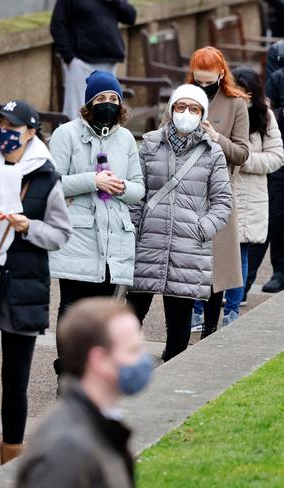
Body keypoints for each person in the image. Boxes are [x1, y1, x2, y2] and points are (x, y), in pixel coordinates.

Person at [0, 99, 71, 486]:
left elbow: (60, 234)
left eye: (13, 126)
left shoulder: (45, 176)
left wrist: (28, 228)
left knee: (16, 379)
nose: (4, 131)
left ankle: (12, 462)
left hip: (25, 284)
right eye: (0, 124)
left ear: (31, 132)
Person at [127, 84, 232, 361]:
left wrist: (201, 229)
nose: (186, 113)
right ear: (171, 110)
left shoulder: (213, 153)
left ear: (202, 114)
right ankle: (119, 368)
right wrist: (133, 231)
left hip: (189, 246)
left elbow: (223, 202)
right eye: (181, 107)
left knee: (179, 319)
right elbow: (137, 194)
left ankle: (172, 373)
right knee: (131, 311)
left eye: (194, 108)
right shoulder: (149, 144)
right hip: (149, 240)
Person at [48, 70, 144, 373]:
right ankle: (68, 368)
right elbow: (53, 183)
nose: (108, 104)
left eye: (113, 98)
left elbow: (138, 187)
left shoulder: (126, 138)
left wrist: (123, 188)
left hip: (115, 235)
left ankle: (92, 369)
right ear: (89, 102)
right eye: (101, 98)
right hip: (79, 234)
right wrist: (93, 181)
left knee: (103, 311)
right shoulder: (66, 134)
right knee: (73, 306)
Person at [16, 298, 151, 488]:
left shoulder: (100, 424)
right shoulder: (64, 450)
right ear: (99, 359)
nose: (143, 360)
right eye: (133, 350)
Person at [177, 47, 250, 337]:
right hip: (184, 193)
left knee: (216, 270)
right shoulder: (181, 98)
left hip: (218, 194)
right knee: (184, 266)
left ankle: (210, 328)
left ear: (221, 74)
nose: (203, 86)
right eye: (198, 79)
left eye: (209, 81)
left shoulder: (236, 104)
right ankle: (181, 328)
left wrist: (216, 137)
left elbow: (242, 153)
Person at [222, 67, 284, 322]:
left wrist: (244, 161)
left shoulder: (265, 117)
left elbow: (276, 157)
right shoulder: (222, 111)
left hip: (250, 193)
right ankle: (198, 311)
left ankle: (232, 310)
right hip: (221, 188)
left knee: (240, 253)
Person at [50, 0, 136, 120]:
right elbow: (57, 25)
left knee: (107, 113)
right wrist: (70, 58)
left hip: (109, 64)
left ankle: (104, 139)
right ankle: (73, 139)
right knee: (76, 112)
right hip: (81, 64)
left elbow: (131, 17)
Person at [247, 41, 284, 295]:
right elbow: (266, 109)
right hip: (279, 154)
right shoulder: (278, 55)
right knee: (274, 215)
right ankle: (252, 279)